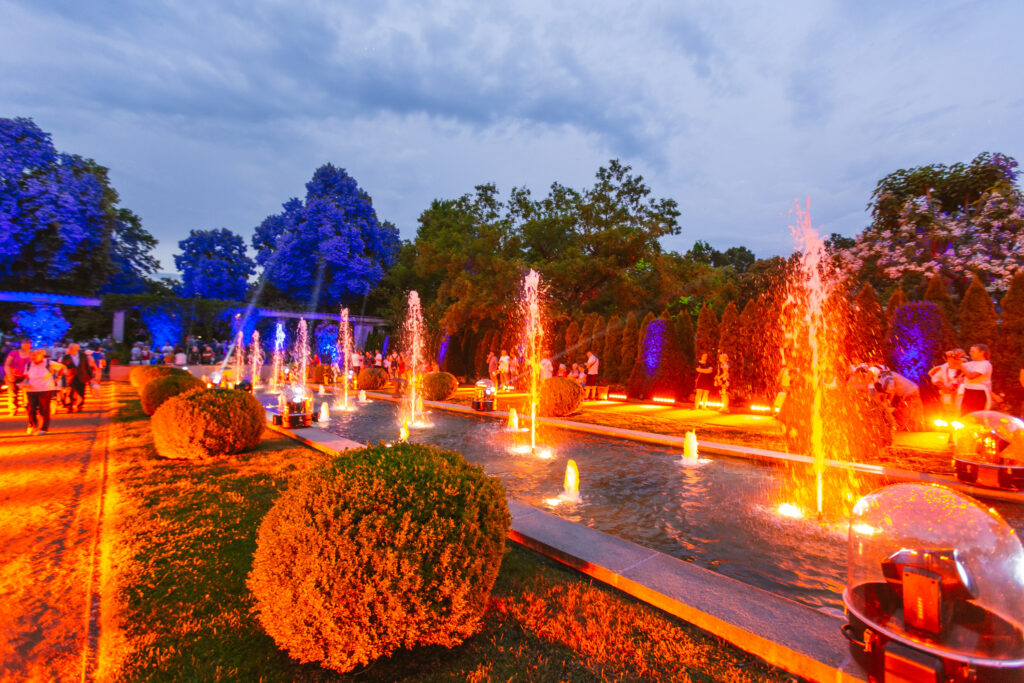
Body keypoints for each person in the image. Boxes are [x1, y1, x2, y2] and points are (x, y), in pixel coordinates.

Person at [24, 349, 65, 435]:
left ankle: (43, 428)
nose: (33, 357)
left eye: (35, 355)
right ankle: (32, 425)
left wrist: (57, 378)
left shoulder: (49, 363)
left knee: (44, 409)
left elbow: (62, 367)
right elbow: (26, 376)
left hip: (45, 388)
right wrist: (24, 383)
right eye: (31, 355)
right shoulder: (28, 365)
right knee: (31, 409)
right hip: (31, 389)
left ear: (41, 355)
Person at [61, 343, 98, 412]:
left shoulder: (83, 356)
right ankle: (71, 406)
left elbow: (87, 366)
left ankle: (80, 406)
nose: (72, 350)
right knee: (71, 392)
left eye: (74, 348)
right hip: (71, 377)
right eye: (71, 348)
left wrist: (90, 376)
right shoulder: (66, 357)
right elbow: (63, 367)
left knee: (81, 392)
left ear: (77, 349)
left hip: (82, 376)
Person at [928, 349, 966, 415]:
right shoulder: (943, 368)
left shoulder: (967, 367)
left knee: (960, 412)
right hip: (947, 394)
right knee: (947, 410)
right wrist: (942, 386)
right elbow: (935, 378)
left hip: (962, 396)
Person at [960, 344, 993, 415]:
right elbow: (953, 366)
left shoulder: (985, 364)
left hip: (978, 393)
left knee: (976, 415)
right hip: (968, 391)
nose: (970, 353)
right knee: (965, 415)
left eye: (973, 351)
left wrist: (961, 366)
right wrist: (954, 357)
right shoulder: (971, 363)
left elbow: (971, 376)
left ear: (982, 352)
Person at [3, 339, 33, 416]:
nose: (25, 345)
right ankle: (13, 409)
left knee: (27, 393)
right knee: (12, 393)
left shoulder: (32, 354)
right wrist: (9, 374)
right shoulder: (14, 353)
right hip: (13, 375)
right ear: (21, 344)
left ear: (30, 345)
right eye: (24, 343)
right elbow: (7, 364)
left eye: (27, 343)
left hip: (26, 376)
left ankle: (27, 408)